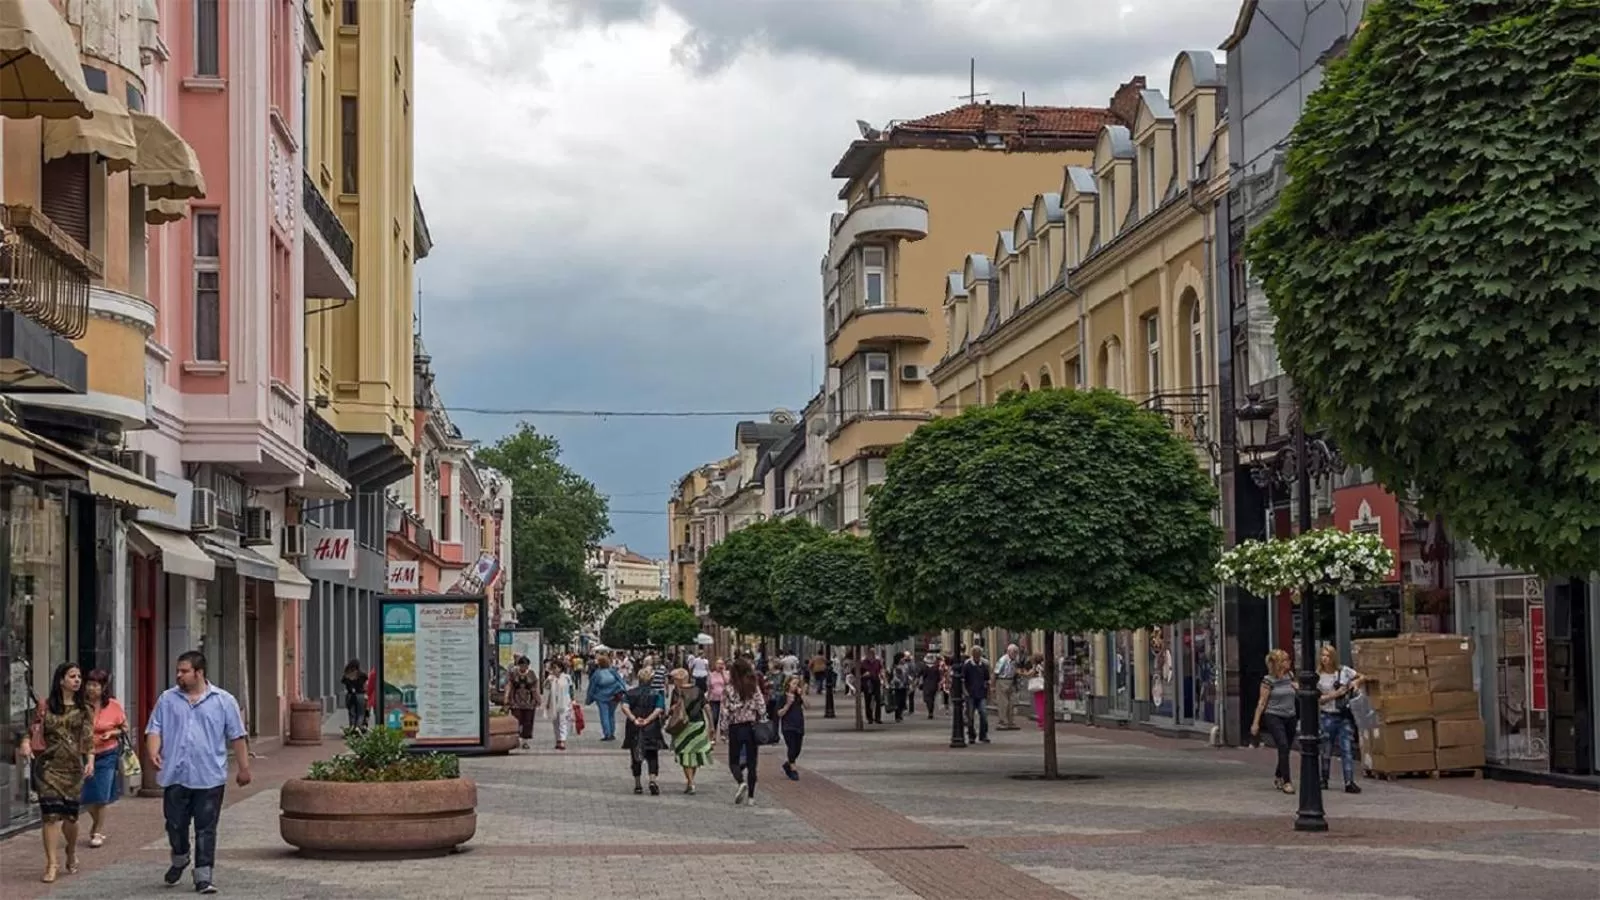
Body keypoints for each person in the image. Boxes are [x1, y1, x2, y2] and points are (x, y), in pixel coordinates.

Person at [145, 651, 250, 894]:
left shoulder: (224, 701)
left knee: (206, 828)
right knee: (175, 825)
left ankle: (204, 876)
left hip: (209, 777)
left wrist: (244, 768)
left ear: (199, 673)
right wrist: (153, 751)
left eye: (184, 671)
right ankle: (180, 858)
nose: (178, 675)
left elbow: (237, 736)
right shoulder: (167, 699)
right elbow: (154, 728)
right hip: (176, 775)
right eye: (178, 671)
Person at [21, 662, 94, 883]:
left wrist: (90, 761)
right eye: (72, 676)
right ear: (61, 680)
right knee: (50, 815)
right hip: (47, 767)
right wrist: (25, 743)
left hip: (72, 768)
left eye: (79, 676)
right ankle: (51, 863)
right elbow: (30, 729)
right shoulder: (45, 706)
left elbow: (89, 740)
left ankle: (70, 851)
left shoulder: (84, 709)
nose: (77, 680)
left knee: (70, 817)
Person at [79, 669, 127, 850]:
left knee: (101, 795)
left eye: (96, 685)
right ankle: (96, 824)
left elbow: (124, 727)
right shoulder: (80, 705)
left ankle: (97, 831)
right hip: (83, 753)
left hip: (107, 752)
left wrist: (112, 732)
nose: (91, 688)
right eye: (89, 684)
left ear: (103, 687)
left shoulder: (113, 705)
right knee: (87, 796)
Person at [717, 657, 768, 806]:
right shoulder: (753, 686)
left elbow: (724, 712)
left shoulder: (729, 689)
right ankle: (751, 797)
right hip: (751, 726)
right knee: (752, 763)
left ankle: (740, 782)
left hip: (736, 727)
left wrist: (724, 731)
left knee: (733, 761)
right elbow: (762, 707)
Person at [1317, 643, 1364, 795]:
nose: (1325, 658)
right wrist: (1335, 695)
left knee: (1347, 748)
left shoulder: (1343, 671)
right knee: (1326, 749)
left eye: (1328, 656)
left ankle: (1349, 781)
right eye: (1323, 655)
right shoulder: (1318, 675)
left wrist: (1356, 682)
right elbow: (1318, 699)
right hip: (1327, 714)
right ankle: (1324, 778)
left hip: (1343, 714)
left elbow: (1361, 676)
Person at [1251, 648, 1299, 794]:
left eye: (1288, 659)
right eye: (1285, 660)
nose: (1288, 662)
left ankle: (1279, 774)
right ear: (1278, 663)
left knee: (1286, 748)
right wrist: (1256, 722)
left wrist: (1298, 688)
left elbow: (1298, 693)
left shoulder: (1290, 676)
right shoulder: (1268, 681)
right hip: (1274, 715)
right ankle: (1287, 781)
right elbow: (1262, 702)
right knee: (1283, 745)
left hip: (1290, 715)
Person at [620, 665, 666, 795]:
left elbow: (624, 706)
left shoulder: (630, 693)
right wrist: (648, 720)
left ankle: (638, 784)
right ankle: (652, 780)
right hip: (651, 727)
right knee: (652, 754)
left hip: (634, 727)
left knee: (635, 755)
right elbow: (659, 709)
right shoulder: (656, 693)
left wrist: (634, 718)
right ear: (651, 680)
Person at [666, 668, 713, 794]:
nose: (673, 681)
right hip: (699, 725)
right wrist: (712, 725)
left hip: (683, 726)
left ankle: (691, 782)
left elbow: (672, 710)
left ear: (678, 679)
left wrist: (669, 712)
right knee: (695, 754)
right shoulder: (698, 690)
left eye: (674, 679)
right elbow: (706, 707)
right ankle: (690, 781)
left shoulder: (677, 692)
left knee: (684, 754)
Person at [585, 653, 627, 741]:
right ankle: (612, 733)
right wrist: (625, 692)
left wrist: (589, 699)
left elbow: (592, 687)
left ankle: (607, 734)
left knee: (604, 715)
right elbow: (621, 681)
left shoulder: (597, 674)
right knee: (611, 715)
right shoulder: (612, 671)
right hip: (614, 696)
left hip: (601, 698)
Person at [506, 656, 540, 749]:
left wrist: (537, 699)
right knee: (517, 721)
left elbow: (535, 687)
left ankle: (525, 741)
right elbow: (509, 685)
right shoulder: (514, 674)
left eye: (525, 665)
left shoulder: (532, 674)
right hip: (516, 701)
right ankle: (517, 739)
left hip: (529, 702)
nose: (523, 667)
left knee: (528, 722)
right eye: (522, 665)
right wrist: (507, 698)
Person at [777, 676, 806, 781]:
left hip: (799, 725)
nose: (795, 686)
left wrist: (802, 695)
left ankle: (787, 764)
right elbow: (779, 713)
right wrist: (788, 704)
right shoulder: (783, 697)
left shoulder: (798, 697)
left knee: (798, 749)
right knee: (792, 747)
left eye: (797, 684)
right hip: (788, 726)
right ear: (788, 684)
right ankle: (793, 770)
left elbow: (807, 706)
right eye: (794, 683)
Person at [962, 645, 992, 743]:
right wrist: (965, 691)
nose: (977, 656)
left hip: (981, 693)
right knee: (970, 716)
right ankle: (971, 735)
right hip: (970, 694)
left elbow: (987, 680)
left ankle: (983, 735)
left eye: (979, 654)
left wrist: (988, 691)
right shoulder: (967, 665)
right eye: (976, 654)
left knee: (983, 714)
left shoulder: (983, 665)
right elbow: (963, 680)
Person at [543, 659, 575, 751]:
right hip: (554, 702)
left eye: (555, 668)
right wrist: (547, 703)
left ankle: (563, 740)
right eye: (552, 668)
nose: (553, 670)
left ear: (560, 668)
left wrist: (573, 700)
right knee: (555, 722)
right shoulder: (550, 679)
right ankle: (557, 739)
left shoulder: (567, 677)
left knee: (563, 722)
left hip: (565, 702)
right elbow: (546, 691)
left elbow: (571, 689)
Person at [993, 644, 1021, 730]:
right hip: (1002, 681)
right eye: (1014, 652)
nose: (1015, 654)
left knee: (1011, 703)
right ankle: (1002, 722)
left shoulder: (1015, 660)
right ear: (1008, 652)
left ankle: (1010, 722)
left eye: (1016, 652)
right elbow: (996, 672)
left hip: (1011, 681)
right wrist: (993, 686)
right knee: (1003, 703)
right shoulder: (1003, 660)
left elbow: (1015, 671)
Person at [340, 660, 368, 731]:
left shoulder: (347, 675)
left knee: (352, 713)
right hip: (360, 695)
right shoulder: (362, 675)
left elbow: (343, 681)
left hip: (350, 695)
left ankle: (352, 727)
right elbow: (365, 683)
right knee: (361, 713)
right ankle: (358, 727)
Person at [858, 649, 884, 725]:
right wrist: (864, 675)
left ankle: (878, 718)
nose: (870, 656)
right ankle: (869, 718)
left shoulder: (877, 662)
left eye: (871, 654)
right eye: (868, 654)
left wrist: (883, 679)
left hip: (876, 681)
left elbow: (880, 670)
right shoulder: (863, 662)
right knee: (868, 700)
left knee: (878, 699)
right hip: (867, 681)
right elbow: (859, 673)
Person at [919, 653, 942, 719]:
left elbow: (920, 675)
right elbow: (939, 678)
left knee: (927, 699)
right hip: (934, 685)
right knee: (931, 699)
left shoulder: (924, 668)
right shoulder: (935, 668)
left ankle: (930, 711)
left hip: (926, 685)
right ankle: (931, 711)